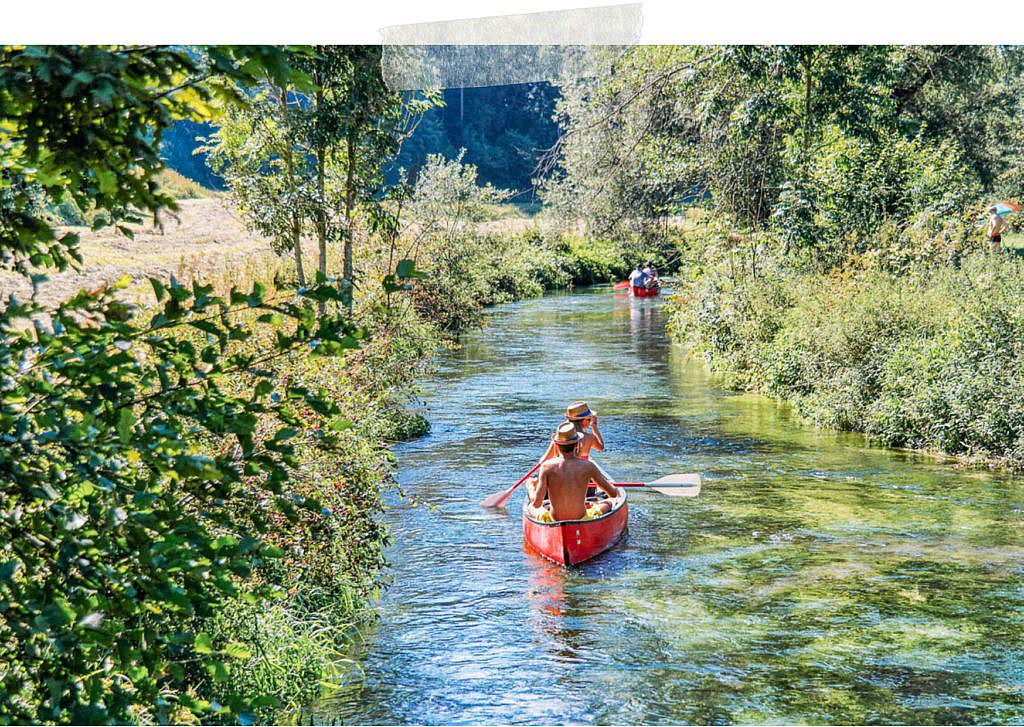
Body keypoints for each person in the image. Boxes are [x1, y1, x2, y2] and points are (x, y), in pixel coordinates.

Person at [529, 422, 620, 523]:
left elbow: (536, 504)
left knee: (530, 507)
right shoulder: (588, 466)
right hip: (583, 518)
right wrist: (613, 487)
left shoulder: (546, 467)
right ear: (577, 444)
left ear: (556, 445)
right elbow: (612, 494)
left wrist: (529, 487)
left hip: (553, 520)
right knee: (611, 501)